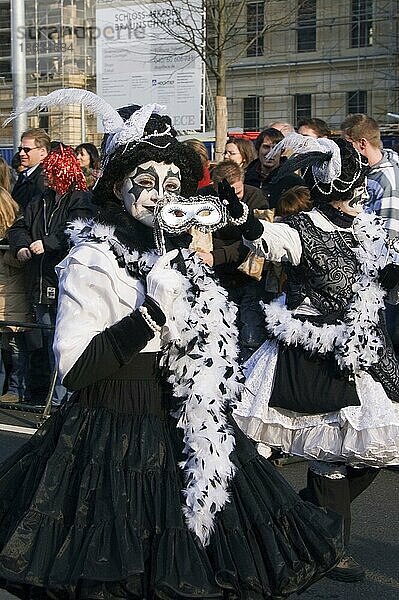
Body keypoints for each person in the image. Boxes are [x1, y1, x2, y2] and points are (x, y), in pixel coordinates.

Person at [0, 89, 344, 600]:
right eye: (146, 183)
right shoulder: (92, 260)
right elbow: (76, 368)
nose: (161, 196)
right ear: (117, 188)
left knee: (195, 565)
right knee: (119, 571)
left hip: (187, 423)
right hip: (112, 428)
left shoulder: (183, 252)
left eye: (173, 184)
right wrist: (152, 313)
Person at [228, 135, 399, 582]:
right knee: (330, 453)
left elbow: (385, 270)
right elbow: (269, 238)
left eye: (359, 193)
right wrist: (243, 219)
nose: (358, 200)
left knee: (375, 452)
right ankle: (330, 549)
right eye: (350, 193)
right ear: (331, 192)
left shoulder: (366, 230)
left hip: (364, 350)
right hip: (312, 352)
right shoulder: (302, 228)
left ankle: (306, 516)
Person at [8, 144, 95, 405]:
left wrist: (48, 242)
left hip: (66, 280)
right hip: (40, 278)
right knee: (46, 341)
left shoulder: (80, 199)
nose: (46, 176)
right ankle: (50, 396)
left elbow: (78, 229)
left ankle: (64, 399)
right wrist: (21, 245)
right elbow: (18, 226)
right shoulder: (40, 199)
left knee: (64, 341)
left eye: (51, 171)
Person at [197, 159, 269, 361]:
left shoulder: (256, 197)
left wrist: (216, 255)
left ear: (243, 181)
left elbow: (255, 242)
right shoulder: (203, 198)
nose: (233, 200)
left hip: (248, 276)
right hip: (217, 278)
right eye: (227, 194)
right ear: (214, 187)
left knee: (251, 336)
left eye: (237, 193)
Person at [341, 113, 399, 355]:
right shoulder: (366, 174)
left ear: (362, 144)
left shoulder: (385, 178)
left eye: (347, 145)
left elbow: (389, 233)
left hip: (384, 279)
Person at [0, 188, 32, 404]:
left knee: (15, 345)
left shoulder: (15, 231)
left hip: (13, 296)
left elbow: (19, 262)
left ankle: (17, 388)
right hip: (6, 295)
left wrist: (5, 248)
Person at [245, 127, 304, 207]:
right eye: (266, 147)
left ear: (282, 152)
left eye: (276, 148)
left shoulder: (292, 181)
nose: (270, 152)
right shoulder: (246, 178)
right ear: (258, 149)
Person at [11, 128, 50, 211]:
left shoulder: (45, 177)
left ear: (42, 151)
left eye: (26, 150)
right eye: (20, 149)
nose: (21, 154)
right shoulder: (25, 175)